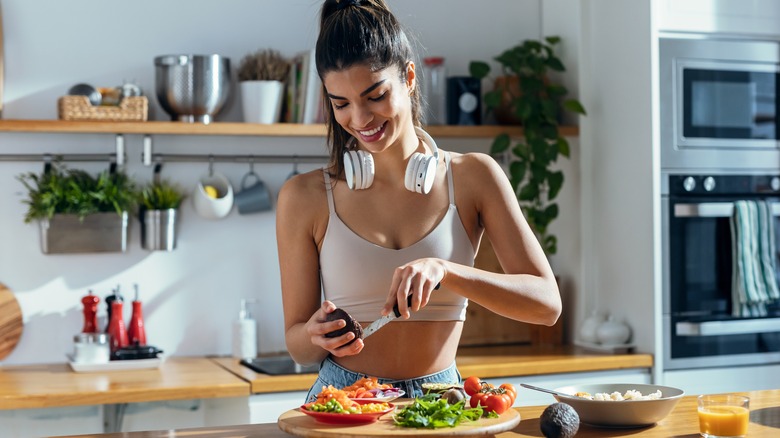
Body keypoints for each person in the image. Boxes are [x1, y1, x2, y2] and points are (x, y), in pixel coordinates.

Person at [276, 0, 561, 403]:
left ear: (408, 77)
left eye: (375, 95)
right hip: (344, 401)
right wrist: (313, 334)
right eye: (340, 103)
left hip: (442, 401)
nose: (359, 119)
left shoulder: (474, 177)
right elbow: (297, 346)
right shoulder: (303, 197)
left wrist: (447, 271)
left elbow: (546, 305)